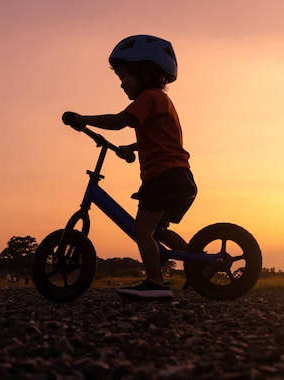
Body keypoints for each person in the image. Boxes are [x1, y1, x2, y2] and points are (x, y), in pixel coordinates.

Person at [63, 35, 197, 300]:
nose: (122, 84)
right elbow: (158, 139)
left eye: (124, 76)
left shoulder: (149, 97)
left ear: (145, 72)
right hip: (178, 177)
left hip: (163, 177)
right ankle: (198, 267)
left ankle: (156, 285)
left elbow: (120, 120)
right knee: (160, 232)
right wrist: (129, 149)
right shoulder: (160, 102)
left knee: (141, 231)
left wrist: (83, 119)